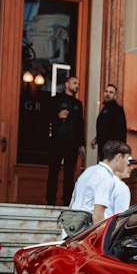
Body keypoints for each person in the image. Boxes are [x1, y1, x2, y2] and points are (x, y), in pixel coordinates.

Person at [67, 140, 132, 226]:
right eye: (127, 159)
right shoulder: (106, 177)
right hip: (85, 231)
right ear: (119, 157)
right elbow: (98, 215)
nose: (128, 163)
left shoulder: (88, 171)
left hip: (71, 227)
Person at [46, 74, 85, 207]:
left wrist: (82, 144)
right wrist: (57, 116)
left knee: (69, 172)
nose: (77, 86)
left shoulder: (78, 104)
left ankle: (67, 201)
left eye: (78, 84)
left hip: (72, 143)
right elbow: (44, 118)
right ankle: (50, 200)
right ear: (67, 84)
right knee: (54, 170)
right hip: (57, 141)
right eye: (75, 83)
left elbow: (80, 124)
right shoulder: (55, 100)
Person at [93, 82, 128, 155]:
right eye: (106, 91)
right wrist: (97, 139)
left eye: (111, 92)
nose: (108, 94)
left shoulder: (117, 110)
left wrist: (119, 149)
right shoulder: (105, 109)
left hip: (112, 149)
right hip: (104, 147)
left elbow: (121, 131)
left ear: (115, 96)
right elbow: (104, 127)